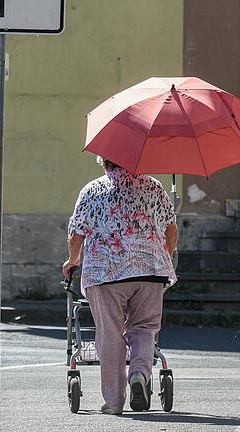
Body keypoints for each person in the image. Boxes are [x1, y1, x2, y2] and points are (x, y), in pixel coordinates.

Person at [63, 156, 178, 415]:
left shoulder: (92, 190)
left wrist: (72, 260)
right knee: (145, 327)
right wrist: (162, 259)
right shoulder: (154, 187)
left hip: (105, 273)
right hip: (150, 271)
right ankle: (139, 373)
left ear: (104, 163)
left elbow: (77, 233)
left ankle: (114, 402)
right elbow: (171, 230)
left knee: (110, 333)